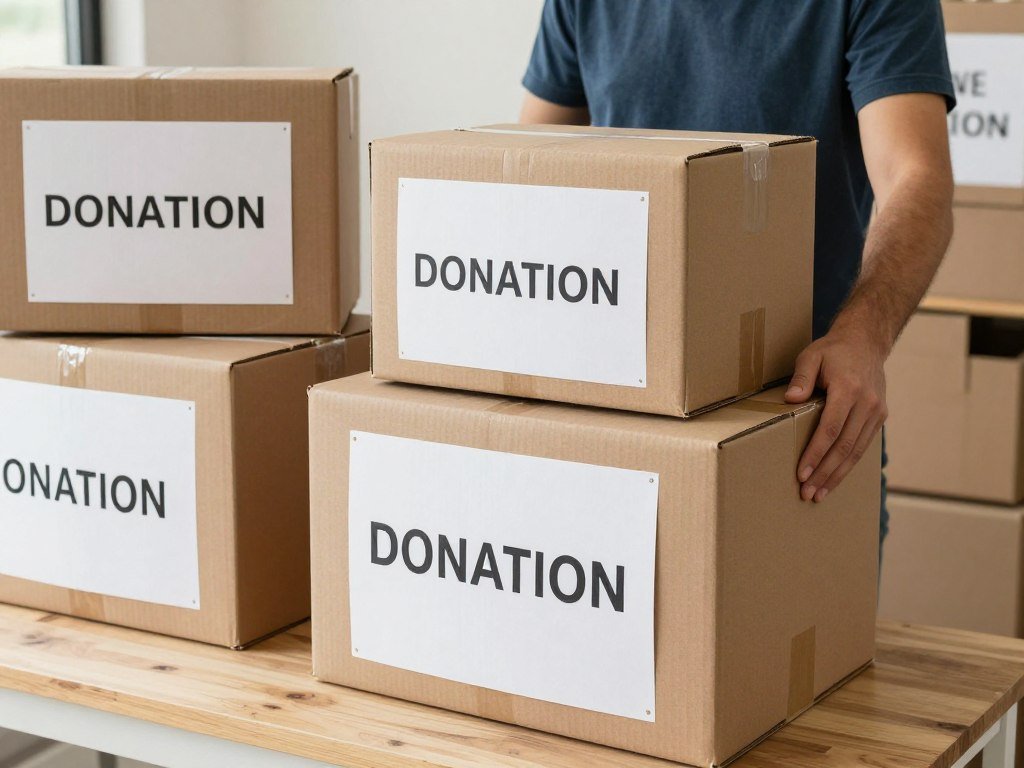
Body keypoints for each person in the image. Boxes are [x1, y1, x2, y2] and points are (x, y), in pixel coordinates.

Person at [520, 0, 956, 547]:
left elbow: (915, 177)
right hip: (620, 401)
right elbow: (531, 166)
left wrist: (865, 335)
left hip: (795, 416)